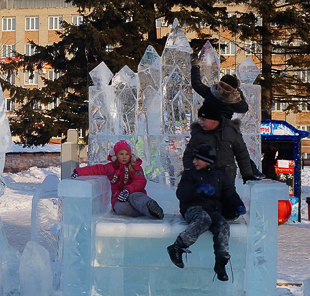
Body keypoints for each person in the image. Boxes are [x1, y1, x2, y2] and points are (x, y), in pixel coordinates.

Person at [167, 144, 246, 282]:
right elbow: (181, 194)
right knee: (203, 219)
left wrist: (238, 205)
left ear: (208, 160)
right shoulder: (190, 173)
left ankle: (221, 263)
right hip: (192, 208)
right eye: (194, 158)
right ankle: (177, 247)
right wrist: (197, 189)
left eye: (198, 159)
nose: (194, 162)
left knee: (222, 225)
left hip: (212, 209)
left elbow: (230, 193)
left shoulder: (220, 175)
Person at [71, 140, 165, 219]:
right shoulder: (110, 167)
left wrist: (128, 190)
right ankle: (143, 211)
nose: (124, 157)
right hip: (118, 197)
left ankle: (152, 208)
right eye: (121, 154)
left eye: (127, 154)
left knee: (137, 198)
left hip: (133, 193)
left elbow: (140, 181)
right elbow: (95, 169)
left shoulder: (135, 167)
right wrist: (78, 172)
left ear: (130, 155)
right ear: (115, 155)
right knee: (120, 208)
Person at [183, 101, 260, 184]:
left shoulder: (231, 131)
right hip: (204, 178)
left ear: (214, 120)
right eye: (200, 120)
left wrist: (247, 175)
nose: (201, 122)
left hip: (227, 177)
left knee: (228, 196)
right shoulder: (198, 134)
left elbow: (242, 154)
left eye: (203, 120)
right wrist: (191, 172)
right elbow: (188, 155)